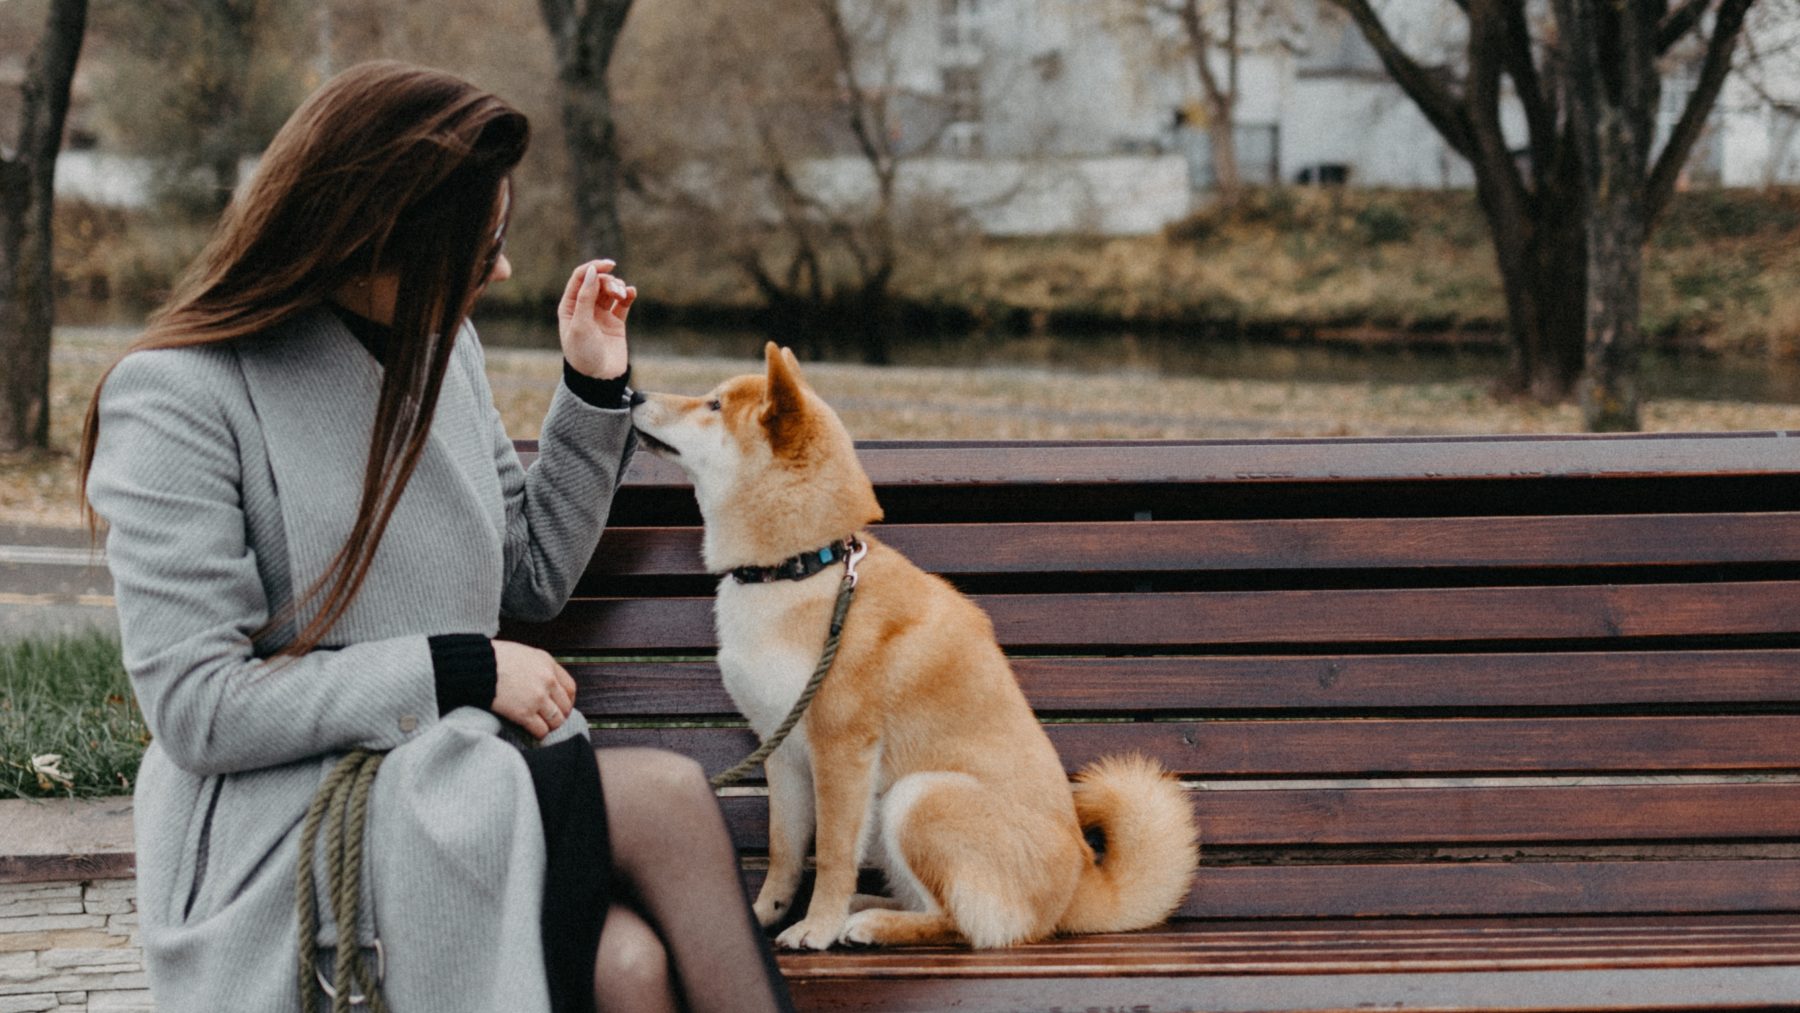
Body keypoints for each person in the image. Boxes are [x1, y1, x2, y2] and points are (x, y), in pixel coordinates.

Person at [79, 61, 794, 1013]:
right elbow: (198, 708)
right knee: (664, 800)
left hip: (461, 785)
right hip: (292, 820)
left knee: (629, 970)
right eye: (480, 244)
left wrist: (592, 387)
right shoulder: (179, 395)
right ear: (382, 237)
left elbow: (529, 575)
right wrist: (457, 669)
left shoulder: (441, 349)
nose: (501, 270)